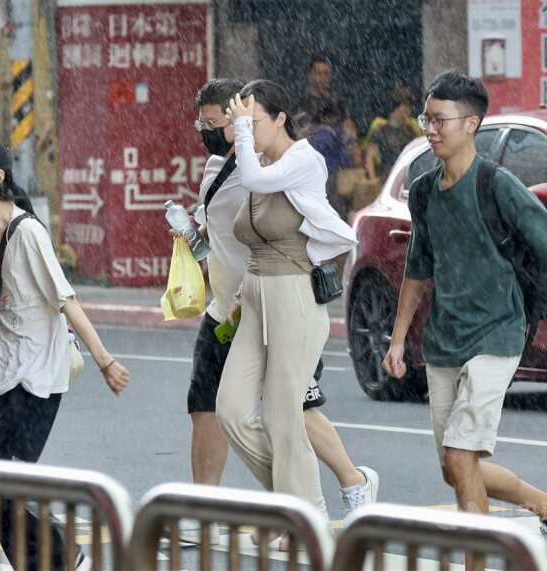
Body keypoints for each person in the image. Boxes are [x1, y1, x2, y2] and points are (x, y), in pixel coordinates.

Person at [382, 72, 547, 565]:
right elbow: (418, 268)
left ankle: (478, 561)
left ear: (471, 124)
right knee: (453, 467)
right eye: (427, 118)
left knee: (462, 459)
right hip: (444, 340)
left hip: (497, 333)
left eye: (439, 120)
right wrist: (398, 341)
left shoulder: (498, 185)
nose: (430, 129)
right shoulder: (422, 192)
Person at [179, 79, 378, 547]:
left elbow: (255, 179)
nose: (244, 131)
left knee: (286, 417)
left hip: (294, 297)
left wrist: (241, 132)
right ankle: (293, 504)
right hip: (251, 297)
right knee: (229, 409)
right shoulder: (250, 164)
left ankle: (305, 518)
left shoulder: (301, 160)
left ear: (280, 119)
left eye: (254, 121)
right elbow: (241, 230)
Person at [0, 135, 130, 570]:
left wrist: (105, 361)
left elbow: (67, 301)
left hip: (37, 377)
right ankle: (54, 554)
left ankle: (60, 558)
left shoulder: (29, 234)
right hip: (1, 376)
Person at [364, 86, 420, 184]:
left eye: (407, 112)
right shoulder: (381, 130)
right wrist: (373, 179)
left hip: (408, 175)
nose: (405, 115)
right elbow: (369, 157)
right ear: (393, 111)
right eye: (402, 112)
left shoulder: (410, 130)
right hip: (388, 176)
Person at [299, 55, 347, 128]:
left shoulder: (337, 100)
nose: (323, 78)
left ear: (330, 77)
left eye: (326, 74)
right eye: (319, 74)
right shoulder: (302, 103)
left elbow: (348, 126)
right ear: (310, 76)